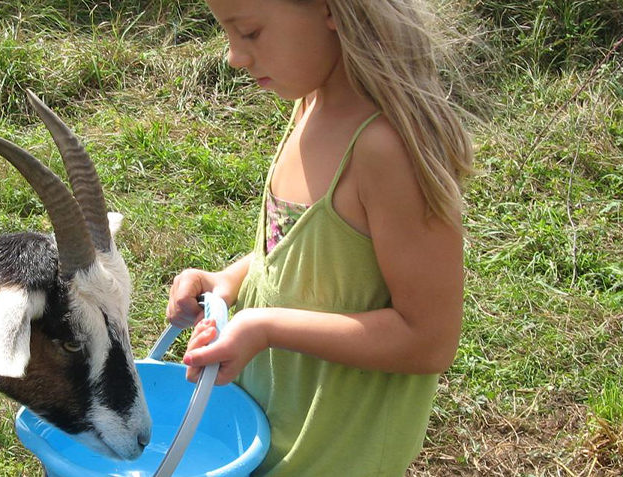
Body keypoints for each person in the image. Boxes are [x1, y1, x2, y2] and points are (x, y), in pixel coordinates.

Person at [165, 0, 474, 475]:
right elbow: (292, 251)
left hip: (336, 451)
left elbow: (429, 340)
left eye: (249, 32)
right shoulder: (309, 105)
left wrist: (265, 328)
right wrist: (226, 282)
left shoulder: (386, 152)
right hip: (270, 430)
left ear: (332, 9)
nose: (233, 56)